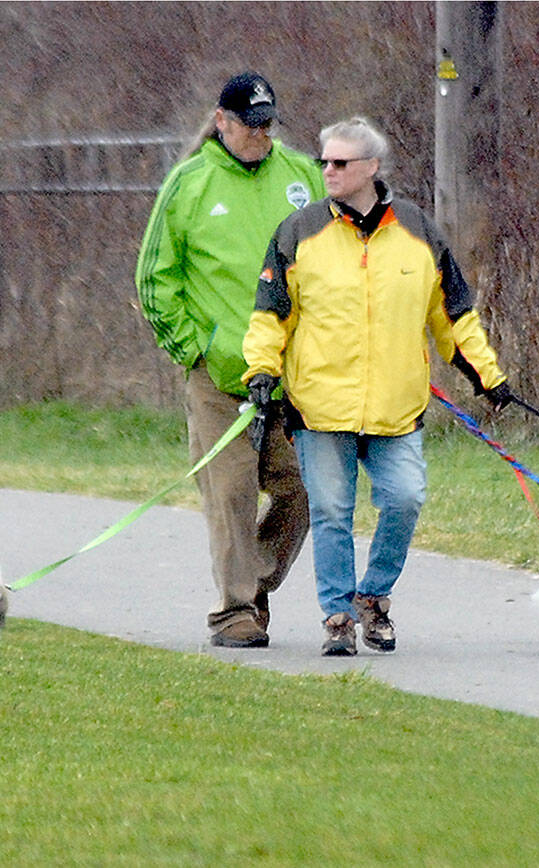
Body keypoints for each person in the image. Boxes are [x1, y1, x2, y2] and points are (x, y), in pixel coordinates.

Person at [241, 117, 512, 656]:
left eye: (340, 163)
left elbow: (452, 316)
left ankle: (374, 598)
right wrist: (262, 371)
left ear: (371, 168)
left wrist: (488, 375)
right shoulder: (298, 231)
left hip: (396, 405)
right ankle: (337, 617)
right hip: (320, 406)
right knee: (332, 512)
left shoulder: (418, 231)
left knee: (405, 498)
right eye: (324, 161)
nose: (329, 171)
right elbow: (270, 316)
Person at [135, 71, 325, 648]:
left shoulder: (301, 175)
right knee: (232, 492)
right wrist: (194, 349)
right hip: (220, 378)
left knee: (306, 486)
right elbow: (155, 279)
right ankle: (234, 610)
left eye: (269, 125)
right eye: (249, 125)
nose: (260, 136)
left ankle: (255, 579)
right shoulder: (189, 183)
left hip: (290, 377)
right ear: (222, 122)